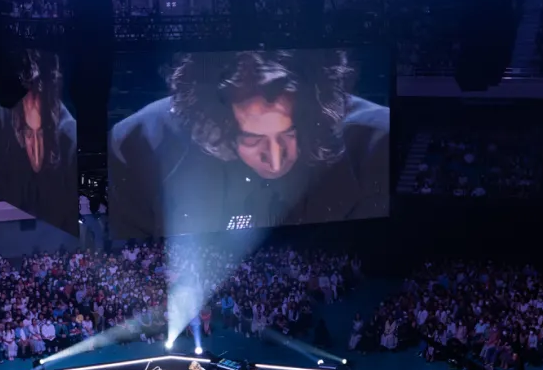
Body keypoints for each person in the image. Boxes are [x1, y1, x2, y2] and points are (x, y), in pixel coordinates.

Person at [109, 49, 390, 237]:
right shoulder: (139, 146)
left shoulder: (376, 145)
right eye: (253, 139)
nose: (276, 160)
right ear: (215, 125)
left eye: (289, 134)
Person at [0, 49, 79, 233]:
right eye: (29, 134)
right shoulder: (1, 114)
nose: (37, 151)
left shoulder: (70, 141)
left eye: (42, 133)